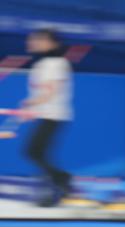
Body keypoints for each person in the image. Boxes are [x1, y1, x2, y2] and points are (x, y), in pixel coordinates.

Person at [20, 28, 73, 207]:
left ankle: (61, 181)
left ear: (53, 43)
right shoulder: (42, 64)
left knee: (34, 152)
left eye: (39, 39)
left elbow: (50, 91)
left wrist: (31, 103)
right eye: (32, 39)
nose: (33, 42)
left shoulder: (56, 63)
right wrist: (32, 110)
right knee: (36, 153)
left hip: (55, 115)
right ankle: (59, 183)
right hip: (47, 114)